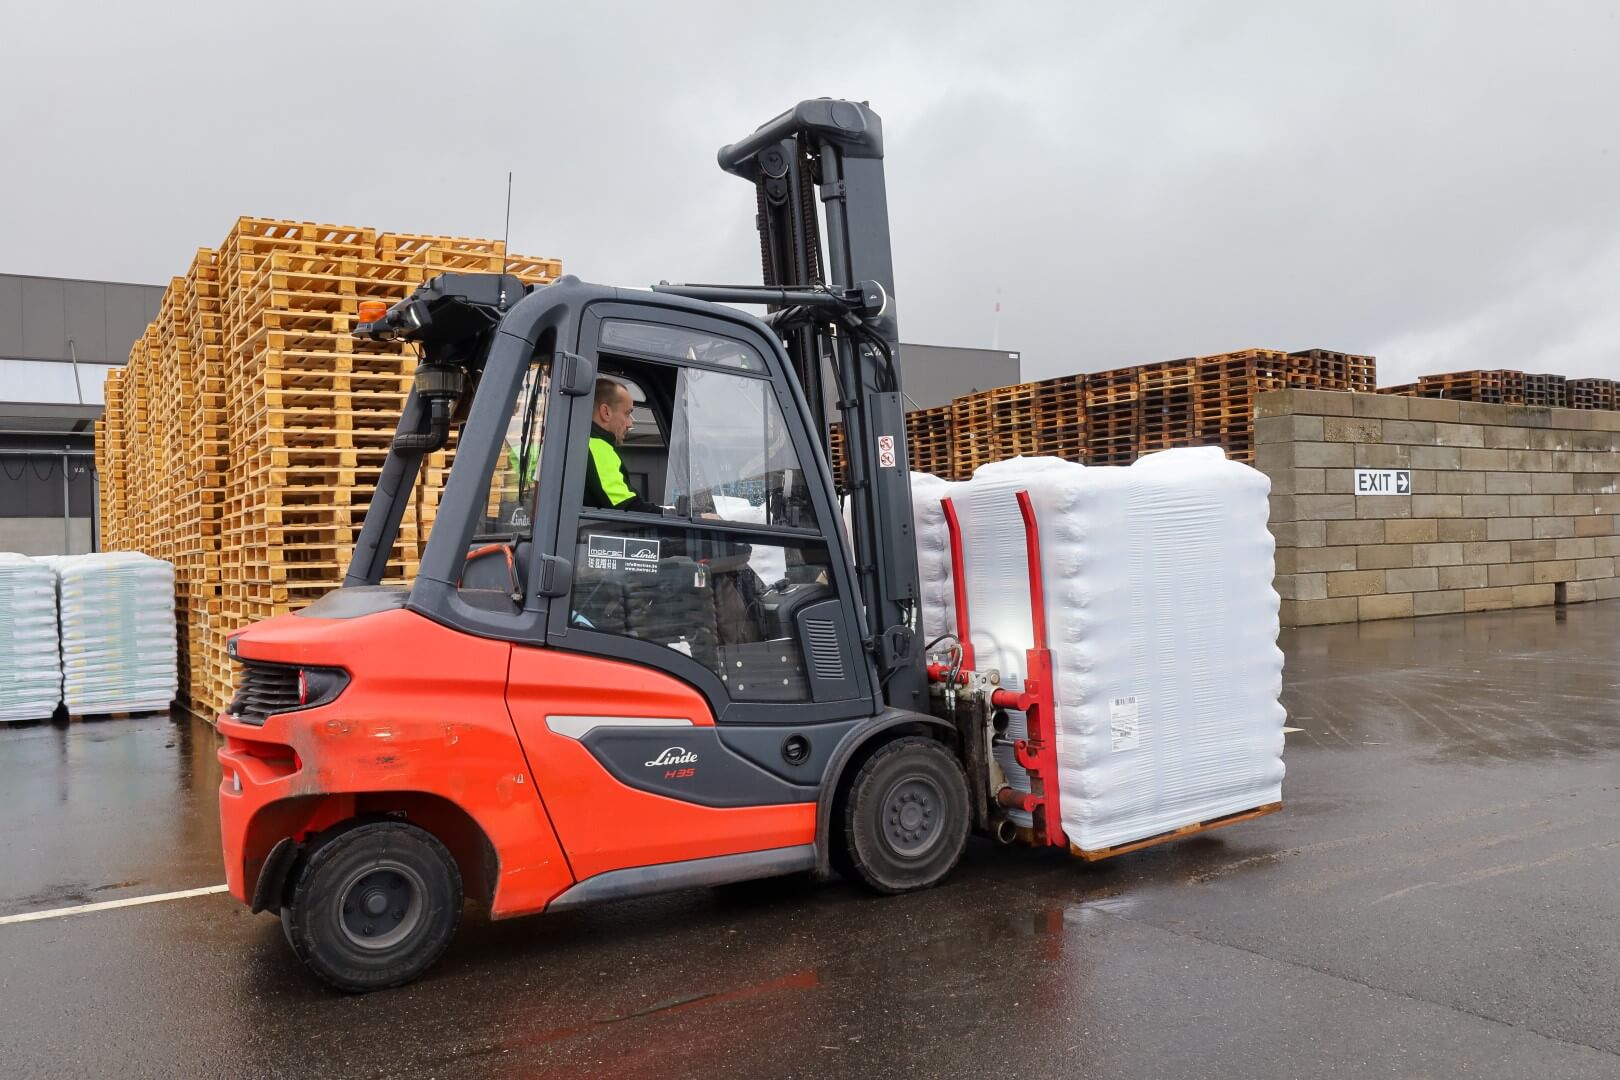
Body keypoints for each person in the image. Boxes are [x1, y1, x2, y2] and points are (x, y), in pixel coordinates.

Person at [585, 378, 661, 513]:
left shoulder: (581, 442)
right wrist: (676, 517)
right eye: (627, 414)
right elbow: (628, 508)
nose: (630, 423)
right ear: (606, 412)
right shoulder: (597, 447)